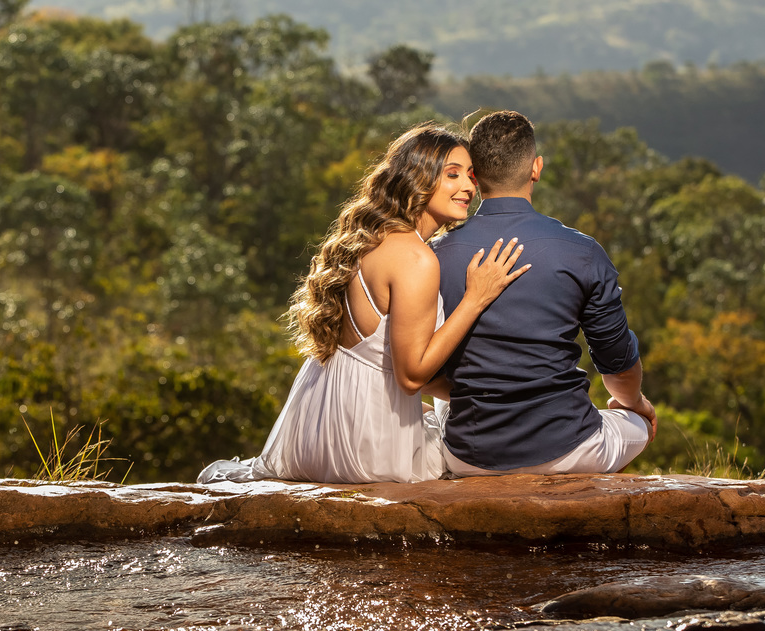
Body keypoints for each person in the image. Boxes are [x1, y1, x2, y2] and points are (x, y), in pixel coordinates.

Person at [199, 123, 529, 484]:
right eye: (452, 175)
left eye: (471, 175)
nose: (468, 186)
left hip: (311, 429)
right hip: (365, 449)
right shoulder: (415, 258)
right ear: (418, 178)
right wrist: (476, 298)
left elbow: (380, 360)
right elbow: (410, 376)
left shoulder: (371, 239)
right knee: (483, 451)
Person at [431, 110, 656, 477]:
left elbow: (424, 367)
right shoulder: (582, 251)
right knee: (639, 424)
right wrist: (635, 404)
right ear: (535, 168)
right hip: (569, 449)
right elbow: (616, 364)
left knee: (441, 407)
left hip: (470, 457)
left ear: (473, 174)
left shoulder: (435, 256)